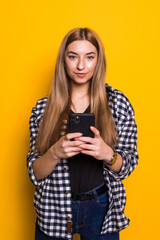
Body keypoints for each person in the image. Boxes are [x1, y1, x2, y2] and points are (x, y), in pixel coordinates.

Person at [27, 27, 138, 240]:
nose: (80, 65)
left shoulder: (118, 103)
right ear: (63, 62)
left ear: (98, 62)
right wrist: (54, 153)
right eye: (72, 57)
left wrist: (107, 154)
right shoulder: (43, 109)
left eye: (89, 57)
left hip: (101, 207)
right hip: (53, 207)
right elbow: (35, 174)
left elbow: (128, 165)